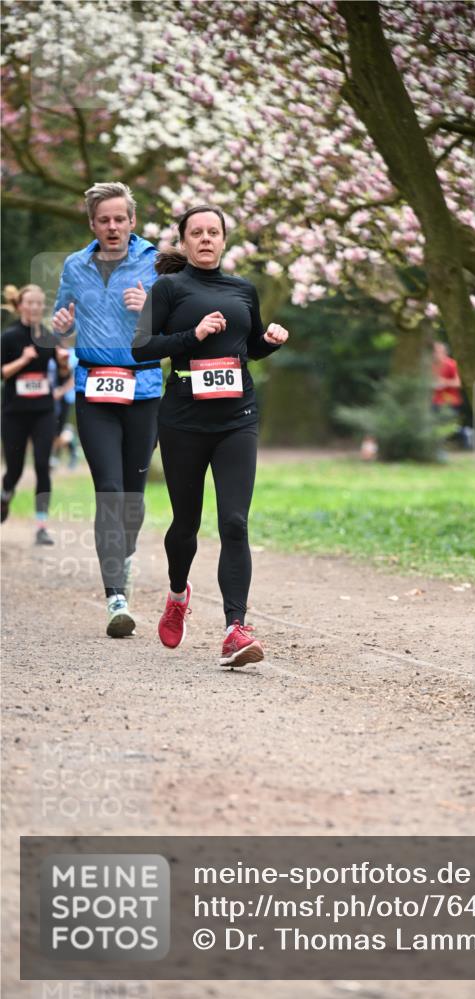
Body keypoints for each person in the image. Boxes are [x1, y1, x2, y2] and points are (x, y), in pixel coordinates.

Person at [132, 204, 288, 666]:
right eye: (196, 232)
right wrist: (193, 334)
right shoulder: (169, 288)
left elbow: (249, 349)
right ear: (183, 242)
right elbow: (142, 349)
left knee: (235, 522)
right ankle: (178, 594)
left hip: (238, 419)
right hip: (183, 422)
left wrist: (270, 342)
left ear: (224, 240)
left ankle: (235, 629)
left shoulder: (243, 289)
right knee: (186, 525)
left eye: (213, 232)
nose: (205, 239)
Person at [52, 181, 161, 638]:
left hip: (145, 387)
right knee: (109, 490)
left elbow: (176, 324)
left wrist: (149, 307)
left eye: (120, 219)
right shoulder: (75, 266)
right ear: (92, 224)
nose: (112, 226)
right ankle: (116, 596)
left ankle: (124, 555)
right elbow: (61, 322)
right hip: (94, 389)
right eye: (104, 220)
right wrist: (62, 326)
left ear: (132, 221)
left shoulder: (156, 262)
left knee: (132, 500)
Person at [1, 283, 67, 544]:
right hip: (14, 413)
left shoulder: (48, 337)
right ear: (20, 306)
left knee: (42, 465)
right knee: (15, 470)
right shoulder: (9, 337)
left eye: (39, 303)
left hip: (43, 411)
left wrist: (62, 365)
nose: (35, 307)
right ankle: (5, 495)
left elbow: (62, 374)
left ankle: (41, 526)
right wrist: (23, 360)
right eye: (30, 302)